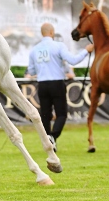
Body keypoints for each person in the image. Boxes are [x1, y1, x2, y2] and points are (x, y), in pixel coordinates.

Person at [27, 23, 93, 152]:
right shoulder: (58, 46)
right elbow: (73, 60)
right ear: (52, 32)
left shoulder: (34, 50)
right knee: (61, 114)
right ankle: (53, 136)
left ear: (42, 33)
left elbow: (31, 70)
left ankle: (49, 141)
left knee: (45, 115)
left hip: (42, 84)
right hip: (57, 83)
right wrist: (86, 51)